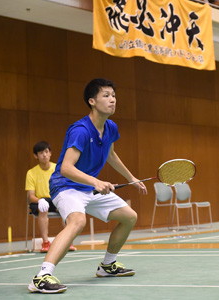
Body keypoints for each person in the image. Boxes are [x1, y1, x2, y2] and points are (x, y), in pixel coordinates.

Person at [28, 78, 148, 294]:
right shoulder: (81, 130)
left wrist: (132, 178)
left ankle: (108, 265)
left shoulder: (110, 127)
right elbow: (65, 168)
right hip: (65, 186)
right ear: (92, 101)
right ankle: (42, 276)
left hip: (87, 188)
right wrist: (96, 181)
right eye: (106, 96)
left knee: (129, 216)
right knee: (77, 221)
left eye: (113, 95)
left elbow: (111, 154)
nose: (112, 100)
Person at [26, 141, 76, 253]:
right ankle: (45, 243)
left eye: (46, 152)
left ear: (50, 153)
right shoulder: (31, 173)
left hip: (56, 197)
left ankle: (68, 242)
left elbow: (65, 187)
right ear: (36, 156)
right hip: (39, 200)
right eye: (41, 153)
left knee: (66, 208)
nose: (44, 155)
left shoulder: (58, 169)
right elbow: (30, 196)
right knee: (43, 209)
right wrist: (40, 201)